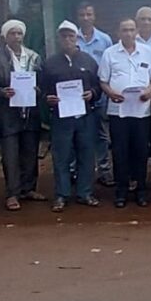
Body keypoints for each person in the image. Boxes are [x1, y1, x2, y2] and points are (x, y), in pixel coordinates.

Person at [0, 19, 45, 212]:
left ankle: (28, 188)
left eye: (19, 33)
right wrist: (3, 92)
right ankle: (12, 193)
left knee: (30, 153)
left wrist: (38, 90)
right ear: (5, 37)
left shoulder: (34, 57)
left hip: (30, 113)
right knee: (10, 155)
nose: (16, 37)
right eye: (12, 33)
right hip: (7, 115)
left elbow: (43, 83)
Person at [99, 18, 151, 208]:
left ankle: (141, 190)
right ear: (118, 33)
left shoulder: (148, 53)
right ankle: (121, 192)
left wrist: (150, 91)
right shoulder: (109, 54)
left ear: (136, 32)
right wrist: (111, 93)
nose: (128, 33)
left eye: (132, 30)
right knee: (119, 152)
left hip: (142, 111)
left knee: (141, 152)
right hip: (118, 111)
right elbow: (103, 81)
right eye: (124, 30)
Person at [43, 21, 102, 212]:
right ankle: (61, 195)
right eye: (64, 36)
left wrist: (92, 93)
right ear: (59, 39)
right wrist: (47, 98)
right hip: (61, 118)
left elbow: (99, 86)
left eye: (71, 36)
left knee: (86, 154)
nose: (67, 39)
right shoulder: (50, 63)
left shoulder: (89, 61)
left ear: (77, 38)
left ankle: (85, 192)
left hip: (85, 116)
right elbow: (42, 90)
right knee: (61, 157)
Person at [75, 0, 114, 187]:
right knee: (78, 135)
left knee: (102, 136)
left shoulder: (105, 40)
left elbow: (110, 68)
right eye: (82, 14)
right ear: (78, 17)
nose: (86, 18)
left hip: (100, 97)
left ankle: (105, 171)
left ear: (94, 16)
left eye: (89, 14)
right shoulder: (72, 37)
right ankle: (77, 171)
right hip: (76, 99)